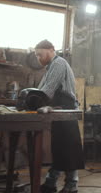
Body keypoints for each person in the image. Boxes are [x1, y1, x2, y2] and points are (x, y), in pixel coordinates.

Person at [35, 40, 84, 193]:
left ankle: (71, 185)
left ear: (51, 50)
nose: (38, 58)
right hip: (58, 110)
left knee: (69, 148)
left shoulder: (59, 63)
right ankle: (51, 182)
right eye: (36, 55)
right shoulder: (50, 68)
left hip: (66, 109)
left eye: (40, 54)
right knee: (59, 148)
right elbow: (40, 90)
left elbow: (46, 91)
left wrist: (33, 102)